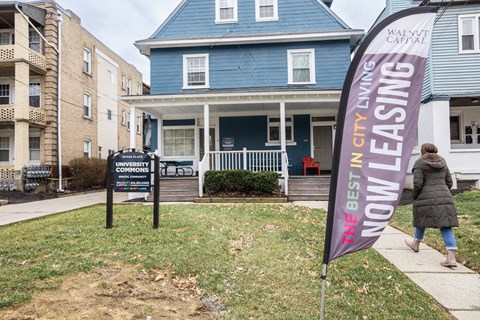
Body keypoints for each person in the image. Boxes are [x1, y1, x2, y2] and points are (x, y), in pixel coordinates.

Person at [405, 143, 459, 267]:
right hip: (444, 196)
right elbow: (449, 182)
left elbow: (418, 184)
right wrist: (443, 191)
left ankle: (416, 243)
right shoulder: (443, 161)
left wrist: (415, 196)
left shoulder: (419, 163)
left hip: (425, 196)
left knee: (421, 219)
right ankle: (451, 256)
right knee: (445, 225)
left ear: (422, 151)